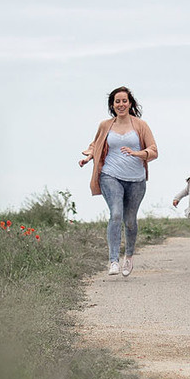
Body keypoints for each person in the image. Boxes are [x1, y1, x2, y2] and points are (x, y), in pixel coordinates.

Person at [78, 85, 157, 277]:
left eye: (124, 101)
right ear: (112, 105)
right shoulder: (106, 125)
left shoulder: (141, 125)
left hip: (136, 180)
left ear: (130, 103)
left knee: (129, 221)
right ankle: (113, 260)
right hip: (110, 175)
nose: (121, 104)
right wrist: (89, 157)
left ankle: (128, 257)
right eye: (117, 101)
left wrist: (137, 153)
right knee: (115, 214)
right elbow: (95, 144)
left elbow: (154, 151)